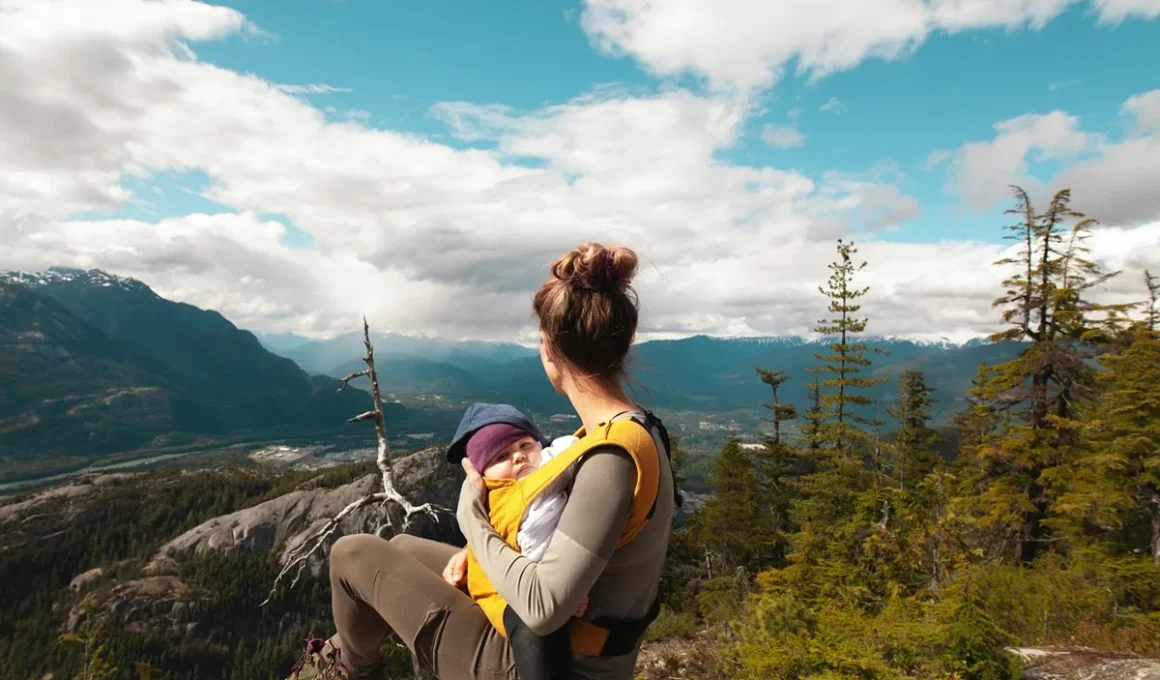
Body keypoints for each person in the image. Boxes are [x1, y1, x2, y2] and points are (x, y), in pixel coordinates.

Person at [286, 242, 677, 680]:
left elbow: (544, 608)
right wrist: (477, 551)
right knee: (401, 549)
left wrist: (471, 515)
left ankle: (352, 670)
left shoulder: (611, 458)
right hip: (563, 647)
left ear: (549, 351)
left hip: (548, 665)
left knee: (352, 553)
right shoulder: (633, 431)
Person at [439, 405, 584, 680]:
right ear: (484, 474)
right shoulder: (498, 497)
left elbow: (573, 447)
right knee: (535, 628)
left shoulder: (551, 466)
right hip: (503, 592)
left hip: (544, 581)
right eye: (502, 455)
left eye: (525, 444)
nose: (518, 456)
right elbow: (503, 533)